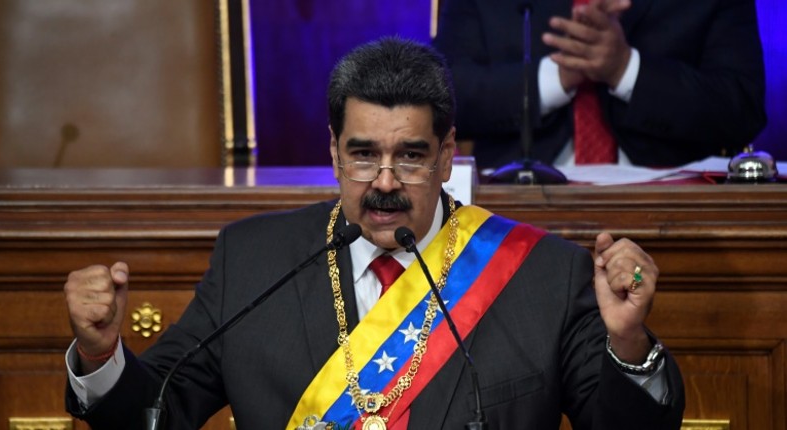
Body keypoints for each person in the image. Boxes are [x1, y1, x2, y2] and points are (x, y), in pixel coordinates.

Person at [64, 37, 684, 429]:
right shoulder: (251, 260)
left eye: (410, 157)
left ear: (446, 158)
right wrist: (99, 356)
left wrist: (627, 343)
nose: (384, 183)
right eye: (362, 155)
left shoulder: (542, 272)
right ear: (333, 152)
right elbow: (157, 412)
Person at [432, 0, 767, 171]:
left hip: (670, 207)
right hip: (517, 207)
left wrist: (624, 68)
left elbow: (741, 106)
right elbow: (443, 97)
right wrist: (556, 77)